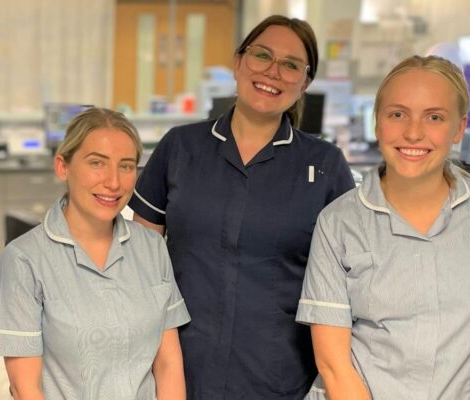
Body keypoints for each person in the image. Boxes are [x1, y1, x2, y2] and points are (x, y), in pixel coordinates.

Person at [130, 15, 355, 399]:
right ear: (238, 62)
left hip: (280, 376)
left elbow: (348, 280)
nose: (273, 72)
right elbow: (140, 263)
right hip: (179, 370)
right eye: (262, 55)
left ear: (305, 83)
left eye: (290, 65)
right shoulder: (180, 148)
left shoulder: (325, 165)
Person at [295, 55, 470, 399]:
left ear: (459, 128)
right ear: (377, 123)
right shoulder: (338, 222)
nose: (414, 133)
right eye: (397, 114)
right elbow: (334, 365)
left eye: (434, 117)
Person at [0, 108, 191, 400]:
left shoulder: (152, 247)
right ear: (63, 167)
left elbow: (168, 364)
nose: (113, 182)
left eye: (126, 166)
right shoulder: (23, 259)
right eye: (97, 163)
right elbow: (26, 388)